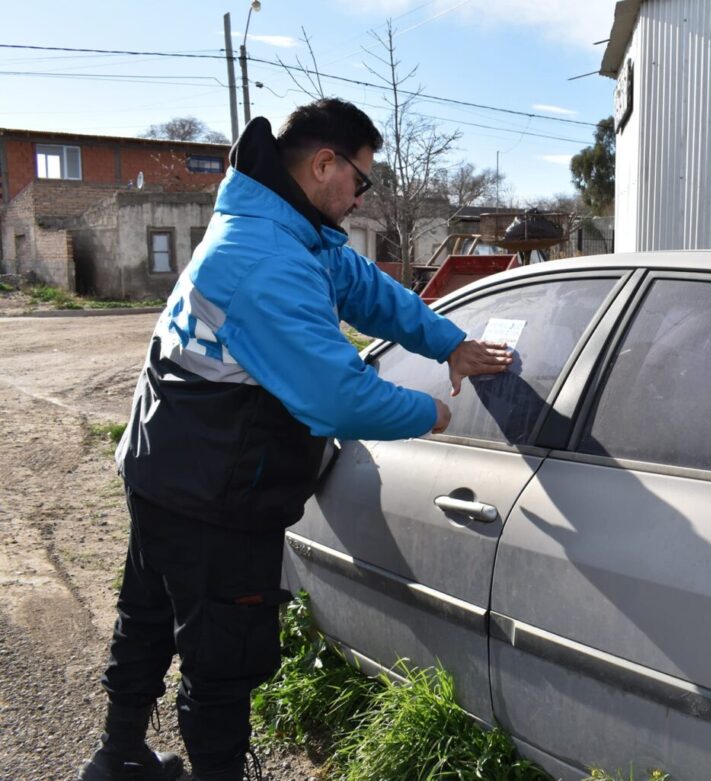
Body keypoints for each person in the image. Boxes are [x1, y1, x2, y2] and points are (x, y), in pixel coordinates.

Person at [78, 98, 511, 781]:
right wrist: (427, 413)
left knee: (150, 614)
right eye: (361, 180)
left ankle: (119, 754)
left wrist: (449, 342)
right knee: (221, 657)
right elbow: (335, 395)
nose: (362, 196)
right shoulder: (266, 258)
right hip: (215, 490)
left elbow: (366, 288)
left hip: (167, 464)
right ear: (323, 163)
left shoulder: (279, 229)